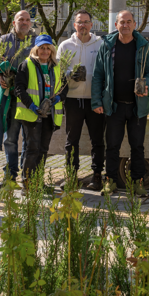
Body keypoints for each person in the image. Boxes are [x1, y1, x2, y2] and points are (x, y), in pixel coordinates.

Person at [92, 10, 149, 193]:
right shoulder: (107, 46)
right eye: (122, 22)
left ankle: (138, 182)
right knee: (112, 145)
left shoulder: (143, 46)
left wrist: (147, 84)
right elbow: (98, 75)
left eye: (129, 22)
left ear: (135, 25)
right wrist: (97, 101)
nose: (126, 25)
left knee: (137, 146)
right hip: (114, 105)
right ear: (116, 25)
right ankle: (110, 181)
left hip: (138, 106)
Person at [57, 10, 106, 190]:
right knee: (71, 141)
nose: (83, 25)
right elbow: (58, 72)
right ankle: (71, 176)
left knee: (98, 140)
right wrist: (70, 74)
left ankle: (97, 176)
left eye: (86, 22)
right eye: (80, 22)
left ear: (91, 25)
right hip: (73, 99)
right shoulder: (65, 46)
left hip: (95, 100)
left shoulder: (100, 44)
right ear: (74, 25)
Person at [14, 35, 67, 190]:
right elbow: (19, 88)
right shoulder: (27, 65)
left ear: (51, 50)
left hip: (49, 116)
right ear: (36, 49)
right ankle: (27, 184)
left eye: (48, 48)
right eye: (42, 48)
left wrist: (58, 98)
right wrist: (31, 105)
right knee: (32, 149)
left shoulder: (56, 67)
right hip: (31, 115)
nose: (45, 51)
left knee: (43, 150)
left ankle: (38, 182)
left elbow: (64, 88)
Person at [0, 10, 34, 185]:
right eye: (20, 19)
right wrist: (0, 77)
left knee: (30, 139)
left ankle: (28, 175)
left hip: (30, 98)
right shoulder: (4, 40)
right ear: (14, 22)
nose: (24, 22)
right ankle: (10, 175)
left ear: (30, 23)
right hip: (11, 99)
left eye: (27, 20)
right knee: (11, 138)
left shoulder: (36, 42)